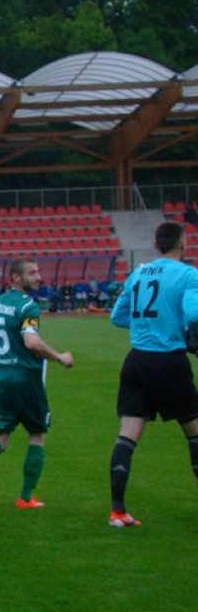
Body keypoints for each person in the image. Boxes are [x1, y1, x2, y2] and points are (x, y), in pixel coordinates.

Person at [0, 258, 74, 509]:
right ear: (15, 278)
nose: (38, 277)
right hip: (25, 380)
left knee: (1, 438)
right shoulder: (28, 306)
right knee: (37, 435)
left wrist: (2, 356)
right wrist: (59, 357)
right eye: (32, 273)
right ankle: (25, 497)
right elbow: (32, 342)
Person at [106, 222, 198, 527]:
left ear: (156, 246)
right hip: (169, 361)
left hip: (136, 362)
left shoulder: (139, 273)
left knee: (127, 435)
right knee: (194, 433)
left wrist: (147, 326)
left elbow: (118, 316)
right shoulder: (188, 274)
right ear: (183, 245)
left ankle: (117, 511)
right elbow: (194, 314)